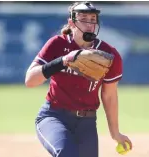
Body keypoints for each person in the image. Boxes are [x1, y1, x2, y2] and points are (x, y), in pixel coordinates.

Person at [25, 1, 132, 157]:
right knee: (66, 153)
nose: (89, 24)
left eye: (93, 19)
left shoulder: (108, 55)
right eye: (83, 18)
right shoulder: (57, 44)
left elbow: (109, 95)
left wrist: (115, 133)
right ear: (72, 22)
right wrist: (63, 61)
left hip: (86, 123)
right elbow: (30, 80)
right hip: (54, 116)